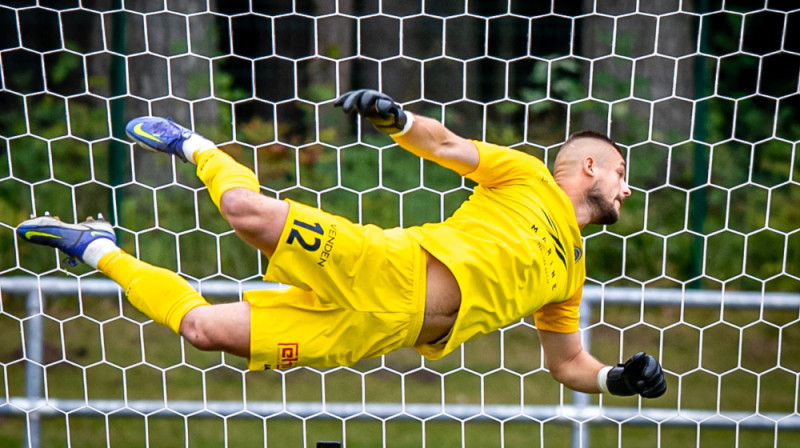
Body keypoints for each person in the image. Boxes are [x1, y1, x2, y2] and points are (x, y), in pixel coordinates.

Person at [17, 89, 666, 398]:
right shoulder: (525, 174)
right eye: (623, 174)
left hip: (371, 331)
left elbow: (566, 365)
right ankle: (198, 146)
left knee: (203, 330)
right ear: (590, 168)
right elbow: (444, 145)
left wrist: (618, 379)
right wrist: (398, 120)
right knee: (245, 209)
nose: (627, 189)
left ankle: (98, 248)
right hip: (387, 266)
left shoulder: (572, 272)